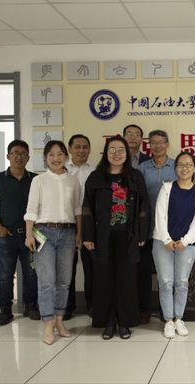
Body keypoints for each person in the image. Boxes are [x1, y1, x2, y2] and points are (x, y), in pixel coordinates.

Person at [82, 135, 151, 340]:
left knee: (126, 280)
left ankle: (124, 322)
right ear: (106, 153)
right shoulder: (95, 177)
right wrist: (88, 235)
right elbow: (87, 208)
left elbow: (144, 206)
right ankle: (108, 322)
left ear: (127, 154)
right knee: (104, 279)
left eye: (121, 150)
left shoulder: (135, 176)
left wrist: (142, 233)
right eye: (112, 149)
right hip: (102, 236)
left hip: (128, 236)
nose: (117, 153)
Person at [24, 140, 82, 345]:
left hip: (68, 233)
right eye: (51, 154)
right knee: (47, 281)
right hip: (44, 233)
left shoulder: (73, 181)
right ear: (45, 158)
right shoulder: (38, 181)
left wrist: (79, 233)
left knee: (64, 280)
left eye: (59, 154)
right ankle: (48, 323)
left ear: (66, 157)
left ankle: (59, 319)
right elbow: (31, 210)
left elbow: (77, 209)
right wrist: (28, 234)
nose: (56, 158)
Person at [153, 151, 195, 338]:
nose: (184, 168)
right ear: (175, 168)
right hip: (162, 243)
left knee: (182, 283)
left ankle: (179, 319)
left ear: (194, 168)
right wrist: (166, 239)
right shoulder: (167, 188)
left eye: (188, 165)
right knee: (166, 282)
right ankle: (168, 320)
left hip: (186, 245)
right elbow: (159, 215)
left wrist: (185, 241)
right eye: (181, 165)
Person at [0, 139, 39, 325]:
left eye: (23, 153)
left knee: (31, 273)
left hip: (30, 235)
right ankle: (5, 309)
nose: (19, 157)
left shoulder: (35, 179)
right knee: (5, 274)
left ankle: (31, 306)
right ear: (8, 156)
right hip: (7, 235)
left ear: (28, 157)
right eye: (15, 153)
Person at [137, 129, 177, 323]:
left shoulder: (177, 166)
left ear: (167, 144)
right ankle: (144, 309)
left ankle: (167, 310)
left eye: (161, 142)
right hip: (147, 227)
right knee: (143, 270)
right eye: (153, 142)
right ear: (149, 145)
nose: (157, 146)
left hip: (170, 228)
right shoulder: (142, 168)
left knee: (167, 272)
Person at [65, 134, 94, 320]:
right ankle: (67, 306)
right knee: (67, 267)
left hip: (90, 224)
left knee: (91, 268)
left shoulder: (95, 171)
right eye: (77, 147)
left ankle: (93, 305)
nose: (81, 150)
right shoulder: (62, 171)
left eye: (85, 147)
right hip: (67, 224)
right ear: (70, 149)